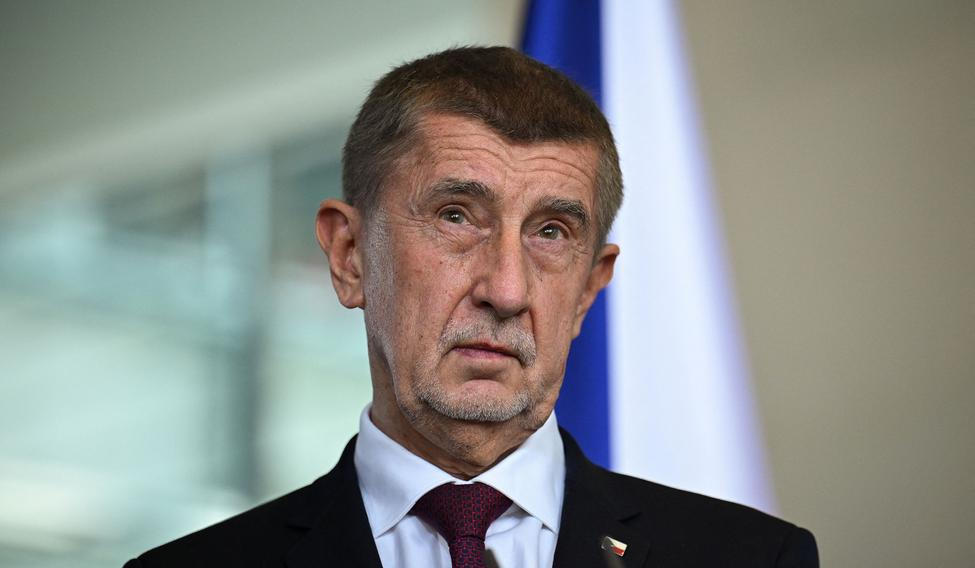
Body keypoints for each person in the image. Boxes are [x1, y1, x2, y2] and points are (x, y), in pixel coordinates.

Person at [125, 46, 818, 568]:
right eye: (456, 216)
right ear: (347, 255)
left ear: (587, 289)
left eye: (551, 232)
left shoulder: (754, 560)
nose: (507, 290)